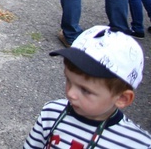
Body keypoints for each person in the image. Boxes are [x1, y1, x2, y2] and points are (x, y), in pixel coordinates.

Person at [23, 26, 151, 148]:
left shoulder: (137, 144)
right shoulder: (51, 113)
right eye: (68, 80)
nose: (70, 94)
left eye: (85, 90)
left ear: (122, 98)